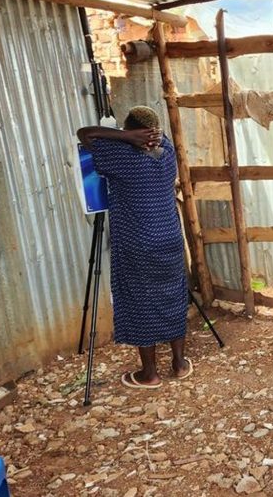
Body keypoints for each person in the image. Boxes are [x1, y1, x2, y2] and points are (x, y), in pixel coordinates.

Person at [77, 106, 192, 390]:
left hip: (138, 242)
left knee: (140, 300)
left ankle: (149, 374)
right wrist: (135, 136)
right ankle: (179, 364)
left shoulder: (120, 155)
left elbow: (84, 134)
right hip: (170, 238)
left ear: (131, 132)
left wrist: (124, 137)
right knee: (172, 296)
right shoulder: (168, 151)